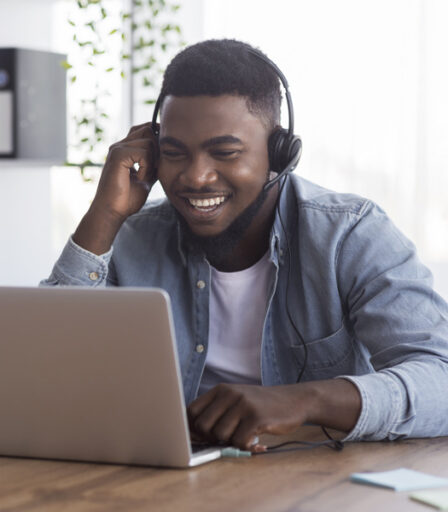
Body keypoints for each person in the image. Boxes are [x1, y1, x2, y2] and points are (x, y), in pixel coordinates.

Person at [42, 39, 448, 452]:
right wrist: (105, 215)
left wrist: (307, 399)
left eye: (225, 152)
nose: (196, 177)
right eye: (174, 153)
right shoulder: (132, 237)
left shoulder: (350, 235)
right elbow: (43, 373)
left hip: (312, 480)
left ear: (280, 153)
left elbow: (441, 377)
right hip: (171, 477)